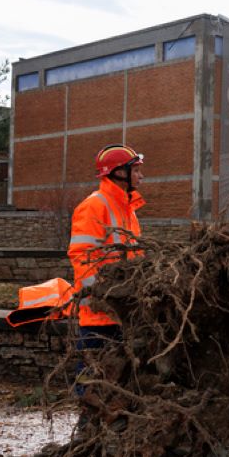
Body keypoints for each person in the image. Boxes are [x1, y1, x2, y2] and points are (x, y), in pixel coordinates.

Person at [68, 143, 146, 352]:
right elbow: (82, 256)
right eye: (136, 170)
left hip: (123, 311)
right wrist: (100, 295)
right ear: (120, 172)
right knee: (92, 373)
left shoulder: (128, 209)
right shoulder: (94, 206)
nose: (141, 176)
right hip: (100, 314)